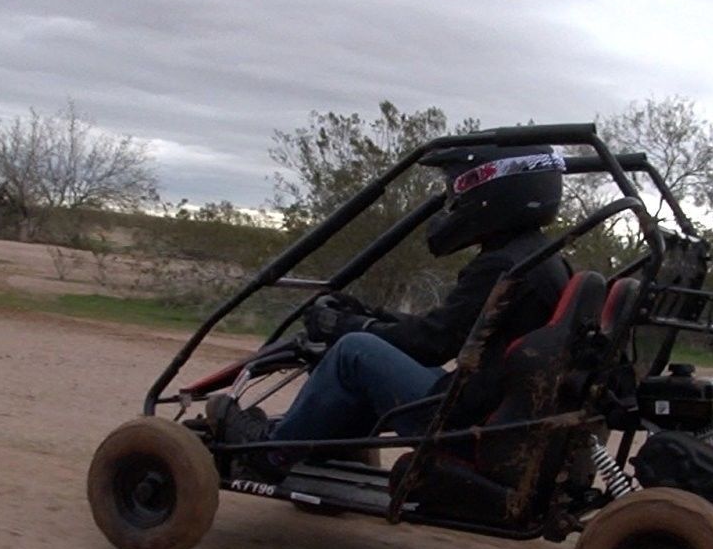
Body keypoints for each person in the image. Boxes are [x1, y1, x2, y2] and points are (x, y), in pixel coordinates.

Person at [208, 144, 573, 479]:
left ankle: (272, 453)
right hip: (497, 414)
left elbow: (434, 343)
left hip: (463, 422)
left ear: (494, 193)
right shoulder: (542, 257)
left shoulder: (502, 266)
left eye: (462, 190)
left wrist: (352, 325)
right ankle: (325, 443)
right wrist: (373, 315)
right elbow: (444, 329)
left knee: (354, 350)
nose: (455, 203)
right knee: (374, 348)